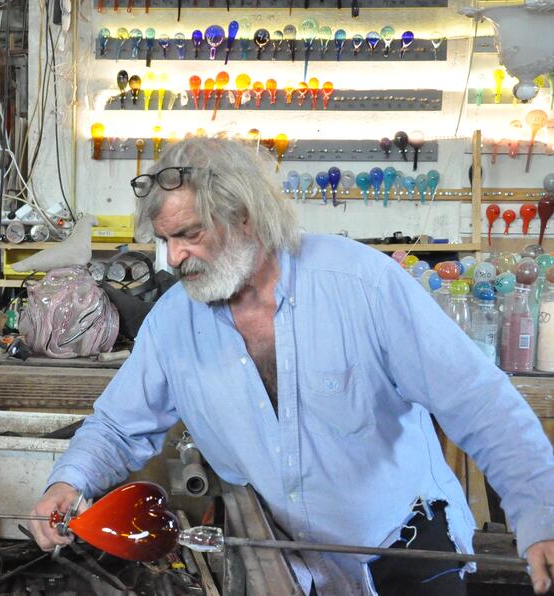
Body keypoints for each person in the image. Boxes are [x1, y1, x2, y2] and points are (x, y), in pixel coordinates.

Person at [29, 137, 554, 595]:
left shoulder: (361, 286)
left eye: (188, 234)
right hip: (287, 564)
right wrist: (68, 483)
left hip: (406, 548)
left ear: (244, 218)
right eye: (165, 241)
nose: (173, 258)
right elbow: (119, 425)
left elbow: (478, 400)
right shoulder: (173, 323)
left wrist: (539, 514)